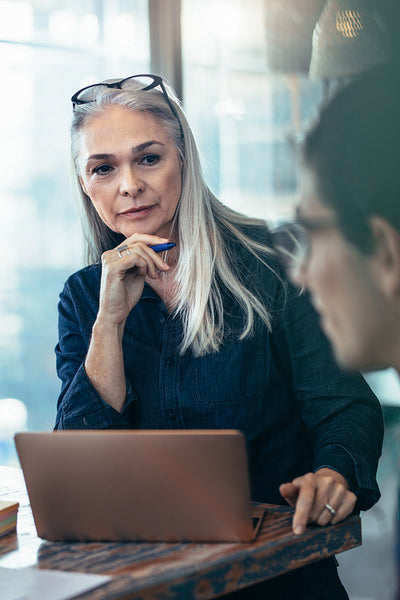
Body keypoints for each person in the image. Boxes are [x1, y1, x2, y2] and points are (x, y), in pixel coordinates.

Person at [55, 74, 383, 599]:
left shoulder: (274, 261)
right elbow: (77, 473)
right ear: (84, 184)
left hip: (277, 575)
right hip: (149, 580)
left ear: (184, 159)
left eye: (148, 158)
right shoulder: (83, 297)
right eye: (103, 168)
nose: (129, 186)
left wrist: (333, 474)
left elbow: (345, 406)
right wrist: (109, 322)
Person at [290, 59, 400, 598]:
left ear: (383, 252)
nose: (301, 274)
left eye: (312, 233)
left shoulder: (265, 277)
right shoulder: (86, 296)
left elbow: (345, 411)